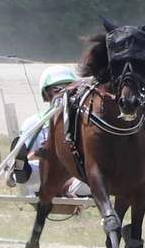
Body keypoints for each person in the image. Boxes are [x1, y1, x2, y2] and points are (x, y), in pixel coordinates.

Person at [11, 65, 90, 198]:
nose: (64, 93)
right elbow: (30, 155)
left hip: (76, 174)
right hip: (44, 172)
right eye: (58, 89)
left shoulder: (84, 122)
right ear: (46, 94)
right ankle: (21, 169)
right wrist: (37, 154)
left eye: (69, 88)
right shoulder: (34, 122)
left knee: (92, 178)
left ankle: (66, 188)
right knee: (33, 170)